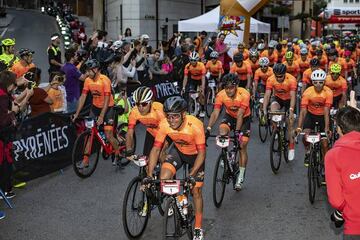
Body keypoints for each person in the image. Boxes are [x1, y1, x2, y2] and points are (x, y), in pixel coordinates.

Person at [145, 96, 206, 240]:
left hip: (196, 157)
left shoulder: (195, 125)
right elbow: (155, 150)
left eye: (175, 117)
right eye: (169, 116)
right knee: (163, 179)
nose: (171, 120)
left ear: (184, 114)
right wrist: (148, 175)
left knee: (195, 191)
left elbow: (202, 153)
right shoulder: (164, 124)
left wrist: (191, 175)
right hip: (178, 152)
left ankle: (197, 227)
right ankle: (178, 199)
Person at [206, 73, 251, 190]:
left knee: (242, 145)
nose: (228, 90)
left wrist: (237, 132)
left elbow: (240, 114)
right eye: (226, 87)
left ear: (236, 86)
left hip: (244, 118)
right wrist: (209, 128)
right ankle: (226, 154)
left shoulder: (244, 94)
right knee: (222, 131)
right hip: (230, 116)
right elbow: (216, 113)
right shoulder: (221, 95)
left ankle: (240, 176)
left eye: (231, 87)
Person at [73, 59, 120, 167]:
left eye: (89, 71)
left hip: (108, 108)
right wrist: (77, 113)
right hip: (95, 108)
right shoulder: (88, 80)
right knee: (88, 134)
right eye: (87, 71)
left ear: (96, 69)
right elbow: (83, 96)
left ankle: (118, 153)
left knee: (108, 135)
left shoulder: (105, 80)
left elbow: (107, 99)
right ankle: (85, 160)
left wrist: (102, 116)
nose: (87, 73)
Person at [325, 106, 360, 239]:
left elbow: (336, 200)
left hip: (355, 225)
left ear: (339, 128)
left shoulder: (333, 155)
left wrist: (345, 209)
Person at [0, 71, 33, 201]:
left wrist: (26, 93)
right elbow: (9, 115)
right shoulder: (2, 97)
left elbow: (15, 103)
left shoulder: (4, 93)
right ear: (9, 84)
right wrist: (27, 97)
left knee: (6, 163)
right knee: (4, 164)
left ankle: (6, 188)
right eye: (14, 84)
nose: (15, 87)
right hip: (3, 137)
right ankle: (4, 190)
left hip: (4, 137)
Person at [296, 69, 333, 168]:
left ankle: (325, 166)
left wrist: (326, 127)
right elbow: (303, 111)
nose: (318, 85)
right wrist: (299, 127)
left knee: (325, 145)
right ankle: (308, 151)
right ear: (312, 82)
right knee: (305, 136)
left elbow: (326, 111)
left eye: (321, 82)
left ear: (324, 82)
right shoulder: (307, 92)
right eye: (315, 82)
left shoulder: (328, 92)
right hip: (311, 115)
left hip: (323, 116)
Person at [262, 63, 297, 161]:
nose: (278, 78)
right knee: (273, 112)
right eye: (276, 76)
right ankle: (276, 129)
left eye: (280, 76)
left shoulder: (291, 80)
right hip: (278, 98)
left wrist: (291, 110)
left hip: (289, 100)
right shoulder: (271, 79)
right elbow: (267, 95)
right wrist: (264, 110)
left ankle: (291, 147)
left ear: (285, 74)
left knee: (289, 123)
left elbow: (293, 96)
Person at [125, 86, 166, 159]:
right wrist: (128, 149)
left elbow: (167, 131)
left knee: (160, 156)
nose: (140, 108)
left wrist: (163, 150)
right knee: (146, 159)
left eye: (144, 104)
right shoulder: (135, 112)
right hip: (151, 132)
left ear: (150, 102)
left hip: (164, 134)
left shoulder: (159, 110)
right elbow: (130, 133)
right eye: (137, 104)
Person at [61, 48, 88, 113]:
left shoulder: (63, 67)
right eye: (76, 55)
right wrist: (88, 72)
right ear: (72, 58)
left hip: (66, 95)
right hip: (73, 97)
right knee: (74, 115)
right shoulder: (72, 68)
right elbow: (83, 78)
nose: (77, 56)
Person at [182, 51, 206, 118]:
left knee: (201, 94)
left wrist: (203, 88)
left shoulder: (201, 65)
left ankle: (202, 109)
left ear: (197, 60)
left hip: (201, 80)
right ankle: (192, 106)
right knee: (190, 94)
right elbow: (185, 77)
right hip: (193, 80)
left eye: (194, 60)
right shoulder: (187, 66)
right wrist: (183, 87)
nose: (193, 62)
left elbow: (203, 78)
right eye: (191, 60)